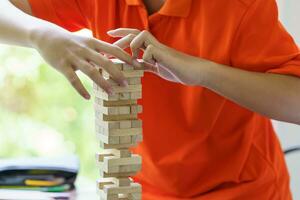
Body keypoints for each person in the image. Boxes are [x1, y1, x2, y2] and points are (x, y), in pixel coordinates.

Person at [1, 0, 299, 199]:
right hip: (141, 188)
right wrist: (40, 34)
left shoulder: (240, 6)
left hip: (243, 191)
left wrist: (202, 72)